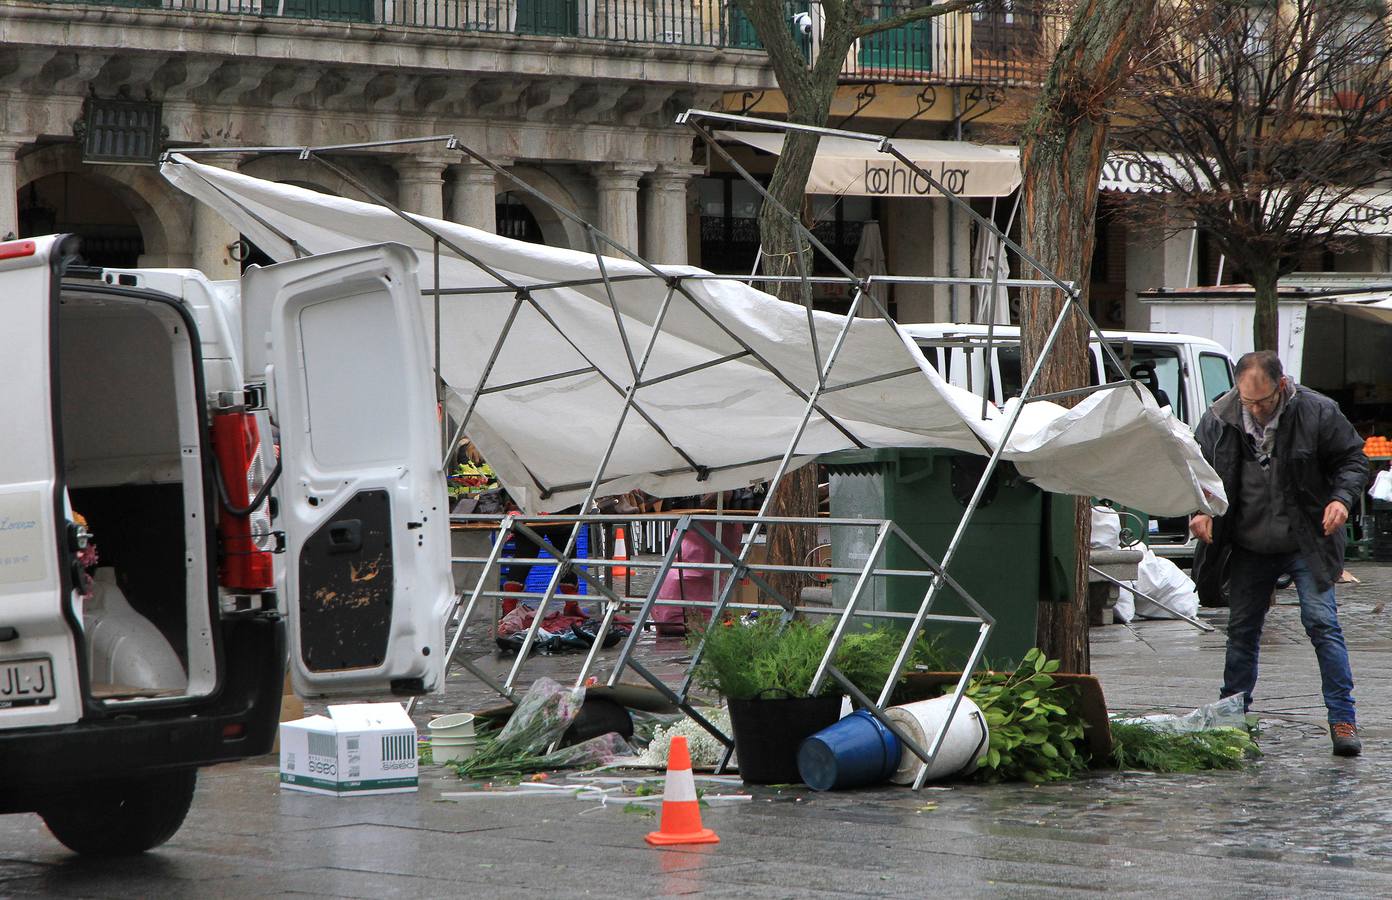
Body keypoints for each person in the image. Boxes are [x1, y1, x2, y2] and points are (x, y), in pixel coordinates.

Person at [1190, 351, 1369, 756]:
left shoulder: (1317, 411)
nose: (1255, 409)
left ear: (1282, 385)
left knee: (1322, 624)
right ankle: (1231, 717)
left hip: (1306, 541)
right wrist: (1199, 509)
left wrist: (1341, 499)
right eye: (1248, 401)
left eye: (1264, 401)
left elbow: (1353, 459)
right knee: (1241, 632)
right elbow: (1195, 468)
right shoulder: (1219, 416)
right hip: (1250, 544)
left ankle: (1343, 719)